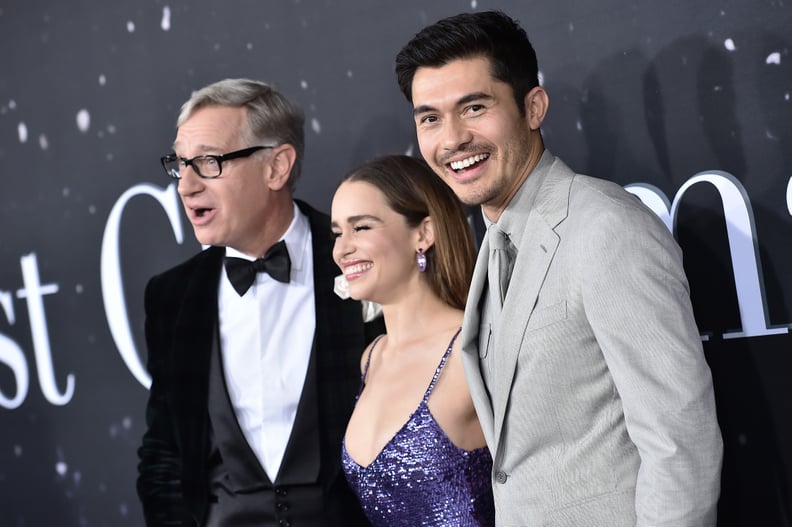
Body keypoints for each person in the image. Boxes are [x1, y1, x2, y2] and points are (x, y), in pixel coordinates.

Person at [394, 10, 723, 527]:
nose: (452, 139)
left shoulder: (605, 227)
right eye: (429, 118)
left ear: (533, 107)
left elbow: (680, 438)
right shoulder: (495, 243)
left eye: (474, 107)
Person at [136, 78, 377, 527]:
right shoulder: (171, 297)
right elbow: (164, 454)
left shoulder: (360, 258)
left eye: (208, 162)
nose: (185, 186)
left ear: (277, 167)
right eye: (180, 164)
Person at [331, 155, 495, 526]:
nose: (342, 250)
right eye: (337, 233)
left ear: (423, 234)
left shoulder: (473, 350)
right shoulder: (372, 358)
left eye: (362, 228)